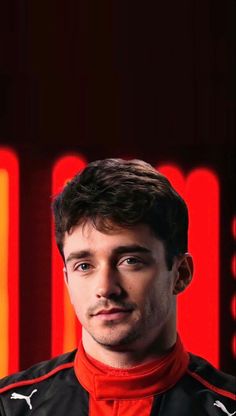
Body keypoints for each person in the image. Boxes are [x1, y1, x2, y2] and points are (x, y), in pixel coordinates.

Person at [0, 158, 235, 415]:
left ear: (181, 273)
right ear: (67, 279)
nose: (105, 287)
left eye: (129, 261)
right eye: (84, 266)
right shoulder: (9, 407)